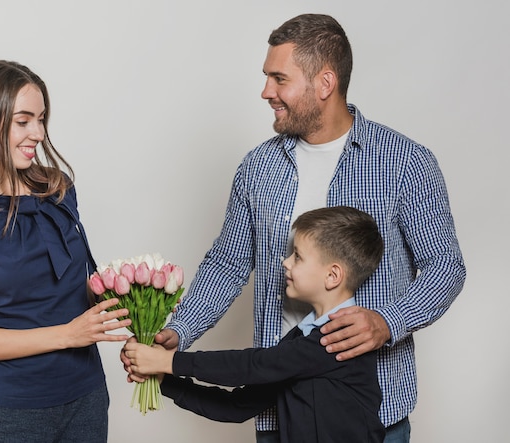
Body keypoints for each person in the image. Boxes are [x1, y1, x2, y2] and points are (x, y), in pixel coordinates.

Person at [121, 13, 466, 443]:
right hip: (276, 407)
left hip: (374, 416)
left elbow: (446, 266)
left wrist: (387, 321)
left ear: (324, 83)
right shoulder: (258, 167)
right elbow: (227, 264)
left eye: (279, 79)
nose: (266, 92)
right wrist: (179, 331)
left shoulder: (404, 162)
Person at [0, 60, 131, 442]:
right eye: (23, 121)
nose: (38, 132)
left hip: (86, 396)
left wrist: (129, 301)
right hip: (8, 412)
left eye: (41, 119)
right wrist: (68, 335)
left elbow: (69, 289)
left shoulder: (58, 189)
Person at [125, 206, 386, 443]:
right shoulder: (301, 339)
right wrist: (163, 379)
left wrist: (168, 362)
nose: (285, 262)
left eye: (297, 256)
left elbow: (254, 365)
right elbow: (236, 406)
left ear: (332, 275)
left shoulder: (338, 338)